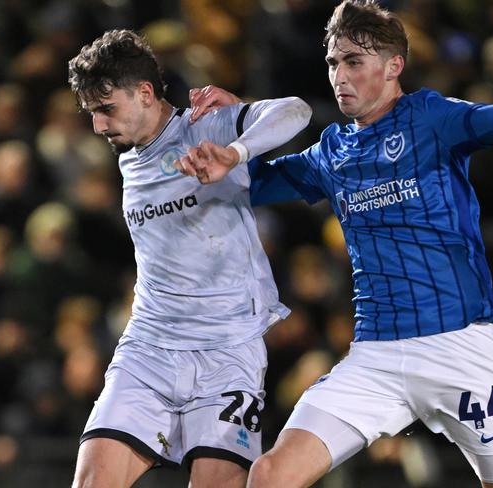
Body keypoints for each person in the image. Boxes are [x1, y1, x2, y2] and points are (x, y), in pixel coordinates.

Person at [176, 1, 493, 487]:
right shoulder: (332, 152)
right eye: (332, 63)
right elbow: (255, 183)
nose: (339, 75)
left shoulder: (430, 117)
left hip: (460, 348)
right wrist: (227, 140)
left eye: (353, 62)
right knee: (272, 474)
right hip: (376, 357)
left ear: (393, 66)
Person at [67, 29, 312, 488]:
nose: (98, 126)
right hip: (149, 348)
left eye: (105, 109)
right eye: (92, 113)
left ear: (144, 93)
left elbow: (295, 110)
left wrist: (235, 152)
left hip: (228, 351)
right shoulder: (127, 154)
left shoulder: (206, 127)